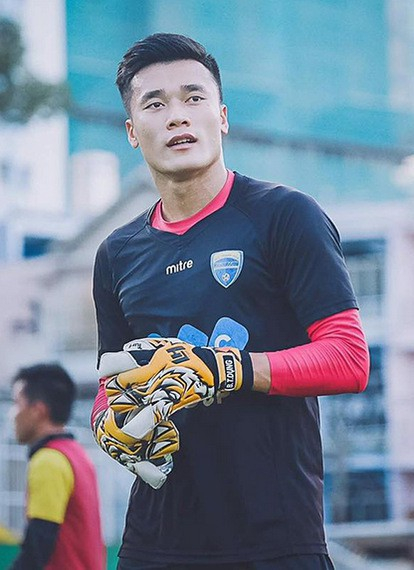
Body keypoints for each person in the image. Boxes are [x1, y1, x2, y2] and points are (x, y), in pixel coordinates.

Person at [91, 33, 370, 570]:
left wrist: (226, 370)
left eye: (193, 97)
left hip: (277, 540)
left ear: (221, 117)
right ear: (131, 132)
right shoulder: (116, 253)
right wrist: (110, 425)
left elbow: (348, 359)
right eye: (155, 104)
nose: (177, 115)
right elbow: (111, 383)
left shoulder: (286, 215)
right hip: (154, 542)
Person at [10, 363, 105, 570]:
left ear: (38, 411)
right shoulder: (77, 454)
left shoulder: (48, 460)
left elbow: (38, 544)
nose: (13, 414)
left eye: (17, 403)